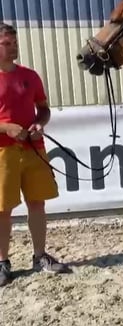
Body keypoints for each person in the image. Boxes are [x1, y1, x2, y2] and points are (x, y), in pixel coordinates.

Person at [0, 22, 70, 287]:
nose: (13, 47)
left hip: (33, 148)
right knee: (3, 209)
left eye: (14, 43)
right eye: (7, 43)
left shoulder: (30, 76)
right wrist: (6, 127)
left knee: (37, 203)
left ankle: (40, 256)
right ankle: (3, 262)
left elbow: (43, 108)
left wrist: (40, 124)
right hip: (3, 151)